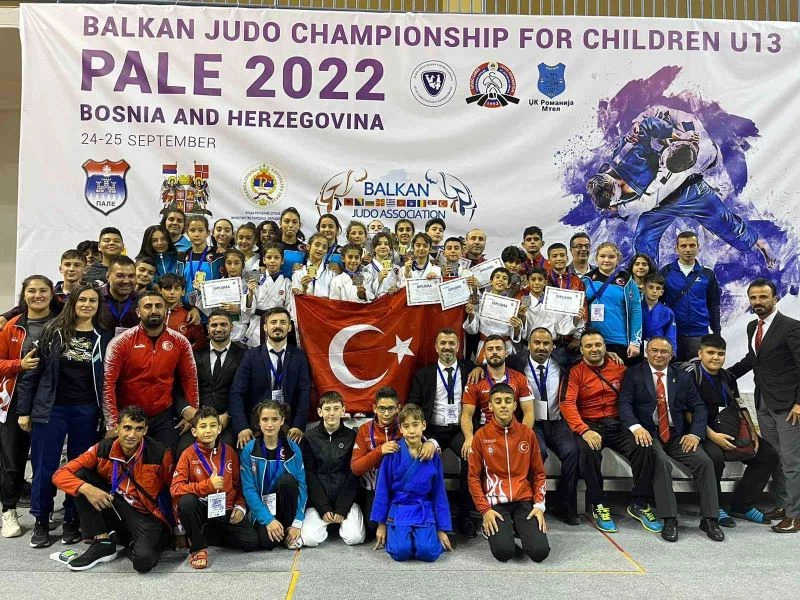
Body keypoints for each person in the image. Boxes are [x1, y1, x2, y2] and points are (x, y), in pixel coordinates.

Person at [16, 284, 113, 547]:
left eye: (93, 301)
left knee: (79, 467)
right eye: (82, 300)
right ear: (72, 302)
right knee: (44, 467)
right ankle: (41, 520)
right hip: (51, 409)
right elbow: (32, 372)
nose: (87, 305)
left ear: (98, 305)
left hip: (87, 411)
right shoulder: (52, 331)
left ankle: (72, 519)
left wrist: (108, 415)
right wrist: (24, 410)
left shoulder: (104, 337)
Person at [619, 336, 722, 542]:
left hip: (676, 434)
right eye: (654, 350)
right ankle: (669, 518)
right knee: (661, 462)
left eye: (664, 351)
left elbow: (699, 407)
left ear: (672, 354)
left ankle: (710, 519)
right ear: (646, 352)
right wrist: (636, 428)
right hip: (648, 432)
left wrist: (695, 434)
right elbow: (624, 404)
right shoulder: (633, 374)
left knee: (704, 462)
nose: (659, 355)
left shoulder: (682, 377)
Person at [561, 329, 662, 533]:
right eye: (588, 346)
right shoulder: (575, 371)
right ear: (581, 350)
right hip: (590, 424)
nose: (594, 349)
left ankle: (640, 502)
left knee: (644, 446)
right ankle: (598, 504)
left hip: (618, 423)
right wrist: (583, 430)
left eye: (598, 345)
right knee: (587, 450)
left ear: (605, 347)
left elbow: (631, 399)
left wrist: (637, 427)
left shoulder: (620, 368)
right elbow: (567, 403)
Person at [52, 406, 173, 571]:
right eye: (127, 428)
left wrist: (179, 529)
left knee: (143, 562)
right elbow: (59, 475)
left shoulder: (159, 453)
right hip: (115, 504)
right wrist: (87, 488)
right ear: (117, 428)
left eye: (138, 429)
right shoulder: (102, 448)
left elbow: (173, 490)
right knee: (80, 476)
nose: (132, 435)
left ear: (145, 431)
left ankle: (128, 540)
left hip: (146, 514)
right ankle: (102, 542)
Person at [728, 278, 800, 533]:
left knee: (791, 461)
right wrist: (723, 375)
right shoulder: (753, 327)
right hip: (763, 401)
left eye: (763, 297)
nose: (758, 302)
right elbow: (753, 359)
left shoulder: (791, 327)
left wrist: (799, 403)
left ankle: (795, 515)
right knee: (776, 458)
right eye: (753, 297)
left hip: (789, 405)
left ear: (775, 299)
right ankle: (782, 505)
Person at [684, 334, 777, 527]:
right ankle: (714, 506)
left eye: (720, 354)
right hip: (701, 431)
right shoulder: (690, 375)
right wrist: (712, 436)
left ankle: (742, 505)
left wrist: (752, 432)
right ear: (700, 353)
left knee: (767, 454)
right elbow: (687, 412)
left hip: (729, 427)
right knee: (714, 458)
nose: (715, 357)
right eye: (710, 353)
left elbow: (739, 405)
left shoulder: (727, 377)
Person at [103, 290, 199, 449]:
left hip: (163, 415)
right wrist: (113, 423)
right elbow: (108, 385)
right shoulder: (120, 343)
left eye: (158, 306)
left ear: (165, 310)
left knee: (167, 459)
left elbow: (190, 379)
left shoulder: (180, 341)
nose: (154, 310)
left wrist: (192, 414)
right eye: (148, 306)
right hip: (128, 416)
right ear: (138, 312)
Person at [0, 275, 56, 538]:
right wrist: (19, 365)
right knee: (12, 459)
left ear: (51, 294)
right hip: (14, 400)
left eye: (43, 290)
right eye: (32, 291)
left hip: (49, 400)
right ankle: (8, 510)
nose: (38, 295)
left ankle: (42, 512)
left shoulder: (61, 323)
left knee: (46, 460)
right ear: (24, 295)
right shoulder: (13, 326)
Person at [468, 383, 550, 563]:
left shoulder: (527, 434)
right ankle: (500, 531)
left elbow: (539, 473)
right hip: (496, 502)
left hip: (523, 500)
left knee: (540, 552)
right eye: (498, 401)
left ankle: (518, 527)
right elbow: (473, 478)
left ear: (515, 405)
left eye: (508, 401)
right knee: (504, 552)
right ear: (490, 406)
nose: (503, 405)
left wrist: (539, 506)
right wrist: (485, 510)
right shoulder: (481, 436)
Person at [408, 328, 478, 537]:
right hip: (433, 430)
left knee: (471, 457)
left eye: (451, 343)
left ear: (458, 347)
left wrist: (478, 368)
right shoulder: (423, 374)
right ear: (436, 347)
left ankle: (465, 515)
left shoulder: (469, 370)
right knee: (423, 458)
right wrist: (421, 437)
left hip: (459, 429)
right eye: (443, 343)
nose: (447, 347)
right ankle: (427, 515)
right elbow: (414, 405)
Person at [508, 328, 580, 525]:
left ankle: (565, 506)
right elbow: (493, 365)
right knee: (538, 452)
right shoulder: (515, 362)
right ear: (528, 345)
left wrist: (611, 354)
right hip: (532, 421)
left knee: (572, 451)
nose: (541, 347)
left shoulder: (562, 359)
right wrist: (478, 369)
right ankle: (530, 505)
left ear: (553, 346)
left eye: (546, 343)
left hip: (557, 421)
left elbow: (588, 355)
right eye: (537, 343)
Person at [171, 407, 257, 569]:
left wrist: (240, 506)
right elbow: (175, 489)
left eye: (212, 426)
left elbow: (238, 486)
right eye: (203, 426)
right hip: (201, 507)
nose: (208, 430)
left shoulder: (230, 452)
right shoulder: (187, 454)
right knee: (187, 502)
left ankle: (204, 534)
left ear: (219, 429)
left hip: (224, 508)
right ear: (194, 432)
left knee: (251, 542)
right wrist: (207, 485)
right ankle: (198, 548)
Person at [351, 387, 437, 540]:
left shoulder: (405, 425)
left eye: (391, 408)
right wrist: (379, 451)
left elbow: (424, 440)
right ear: (374, 408)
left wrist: (432, 443)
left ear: (398, 408)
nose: (386, 413)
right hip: (374, 489)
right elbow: (356, 468)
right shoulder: (364, 430)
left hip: (400, 489)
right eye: (382, 408)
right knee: (372, 527)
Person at [372, 403, 452, 562]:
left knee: (428, 552)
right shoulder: (392, 454)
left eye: (415, 425)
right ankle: (404, 540)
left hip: (423, 507)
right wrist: (381, 524)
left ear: (423, 425)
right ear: (400, 429)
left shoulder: (433, 456)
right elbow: (382, 490)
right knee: (400, 551)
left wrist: (441, 529)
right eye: (406, 426)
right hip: (399, 508)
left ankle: (421, 540)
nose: (411, 431)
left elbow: (439, 493)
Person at [229, 307, 310, 447]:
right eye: (273, 322)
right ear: (265, 327)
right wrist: (242, 427)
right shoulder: (251, 356)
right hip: (257, 424)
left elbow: (304, 392)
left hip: (289, 425)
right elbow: (237, 392)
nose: (278, 326)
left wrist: (298, 425)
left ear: (289, 327)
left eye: (283, 322)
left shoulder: (299, 356)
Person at [176, 310, 245, 457]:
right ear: (208, 328)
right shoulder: (194, 354)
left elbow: (247, 391)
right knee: (182, 451)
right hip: (196, 419)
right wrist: (185, 409)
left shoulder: (244, 355)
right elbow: (176, 385)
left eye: (223, 324)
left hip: (227, 420)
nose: (218, 329)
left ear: (231, 327)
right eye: (214, 325)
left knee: (227, 454)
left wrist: (229, 415)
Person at [300, 392, 365, 547]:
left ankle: (341, 523)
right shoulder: (309, 438)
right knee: (309, 539)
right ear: (319, 411)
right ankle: (327, 523)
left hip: (345, 500)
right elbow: (309, 474)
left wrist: (342, 508)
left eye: (336, 408)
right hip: (319, 501)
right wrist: (323, 508)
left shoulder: (352, 437)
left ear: (343, 411)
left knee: (355, 538)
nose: (332, 413)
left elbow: (353, 474)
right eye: (327, 409)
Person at [240, 400, 307, 550]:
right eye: (265, 419)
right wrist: (268, 520)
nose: (269, 424)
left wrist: (297, 523)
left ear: (282, 421)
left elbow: (302, 486)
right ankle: (280, 531)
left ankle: (289, 529)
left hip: (285, 506)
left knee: (288, 481)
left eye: (275, 419)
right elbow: (249, 489)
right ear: (259, 422)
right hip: (263, 507)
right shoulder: (249, 450)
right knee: (267, 542)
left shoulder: (292, 449)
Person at [460, 336, 534, 456]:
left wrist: (523, 436)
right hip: (485, 432)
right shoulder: (475, 381)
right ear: (484, 354)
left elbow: (529, 412)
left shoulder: (520, 378)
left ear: (506, 353)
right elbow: (466, 415)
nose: (494, 352)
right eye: (490, 349)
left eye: (498, 348)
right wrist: (469, 438)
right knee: (469, 454)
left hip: (514, 431)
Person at [658, 231, 721, 362]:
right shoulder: (666, 272)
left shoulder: (707, 274)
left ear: (698, 247)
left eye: (692, 245)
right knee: (673, 371)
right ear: (676, 248)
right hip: (672, 333)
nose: (688, 249)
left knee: (697, 372)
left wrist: (716, 332)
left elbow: (714, 304)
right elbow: (657, 304)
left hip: (699, 334)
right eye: (683, 246)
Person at [583, 241, 642, 365]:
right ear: (596, 258)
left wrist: (635, 342)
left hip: (619, 340)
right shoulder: (586, 280)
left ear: (617, 259)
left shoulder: (627, 280)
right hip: (592, 341)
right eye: (602, 256)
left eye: (611, 257)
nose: (606, 260)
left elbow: (635, 311)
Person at [0, 249, 86, 329]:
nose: (71, 269)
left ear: (85, 270)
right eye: (67, 265)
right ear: (61, 269)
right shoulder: (51, 293)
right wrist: (6, 316)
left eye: (77, 265)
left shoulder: (90, 294)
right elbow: (25, 307)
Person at [464, 268, 523, 362]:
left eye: (504, 278)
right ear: (491, 281)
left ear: (508, 284)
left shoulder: (513, 305)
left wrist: (517, 327)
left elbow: (515, 335)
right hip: (486, 344)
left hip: (506, 346)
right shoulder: (481, 301)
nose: (500, 280)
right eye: (497, 277)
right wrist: (471, 315)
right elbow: (472, 330)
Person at [243, 242, 293, 348]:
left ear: (282, 261)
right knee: (256, 352)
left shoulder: (287, 282)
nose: (272, 261)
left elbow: (289, 307)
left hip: (277, 324)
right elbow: (247, 311)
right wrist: (250, 294)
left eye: (276, 258)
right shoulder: (255, 279)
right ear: (264, 260)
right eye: (269, 257)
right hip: (257, 324)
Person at [178, 215, 223, 304]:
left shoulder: (217, 256)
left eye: (201, 230)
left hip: (211, 307)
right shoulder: (182, 257)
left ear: (208, 233)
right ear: (187, 233)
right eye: (192, 230)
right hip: (186, 307)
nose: (196, 234)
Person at [157, 273, 207, 350]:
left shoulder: (190, 316)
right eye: (167, 288)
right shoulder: (153, 313)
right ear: (159, 290)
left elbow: (201, 341)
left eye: (176, 289)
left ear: (183, 292)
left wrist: (183, 352)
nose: (172, 292)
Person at [98, 256, 139, 334]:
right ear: (107, 277)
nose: (126, 281)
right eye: (120, 276)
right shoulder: (94, 298)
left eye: (131, 276)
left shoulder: (142, 301)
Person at [641, 273, 677, 352]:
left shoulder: (668, 313)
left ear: (661, 292)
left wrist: (671, 353)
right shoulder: (636, 309)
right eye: (651, 287)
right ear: (643, 289)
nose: (654, 291)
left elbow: (671, 336)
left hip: (658, 351)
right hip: (636, 350)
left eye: (658, 288)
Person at [292, 233, 336, 298]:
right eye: (317, 245)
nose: (320, 249)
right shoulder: (298, 271)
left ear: (326, 251)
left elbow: (335, 298)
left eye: (324, 247)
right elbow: (296, 300)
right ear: (308, 247)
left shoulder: (331, 273)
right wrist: (304, 289)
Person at [368, 231, 401, 297]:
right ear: (373, 248)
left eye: (386, 244)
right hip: (377, 302)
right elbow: (366, 294)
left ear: (390, 249)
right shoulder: (367, 269)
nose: (383, 246)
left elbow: (403, 285)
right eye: (379, 244)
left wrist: (397, 287)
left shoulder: (397, 268)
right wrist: (379, 279)